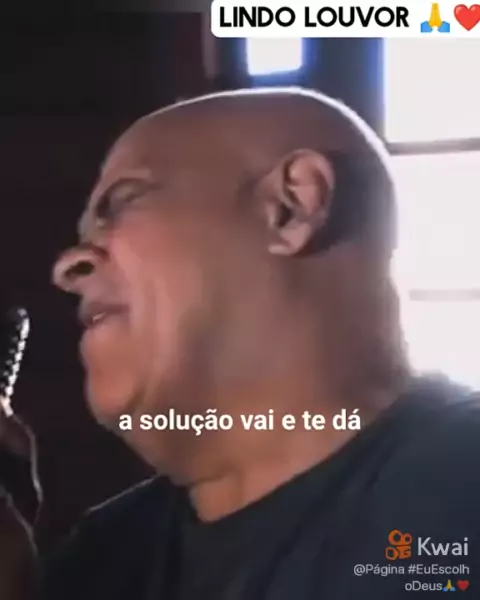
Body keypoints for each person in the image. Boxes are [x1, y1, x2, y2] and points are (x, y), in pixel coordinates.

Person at [1, 87, 480, 600]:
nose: (68, 267)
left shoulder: (457, 489)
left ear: (292, 207)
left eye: (122, 201)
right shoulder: (103, 558)